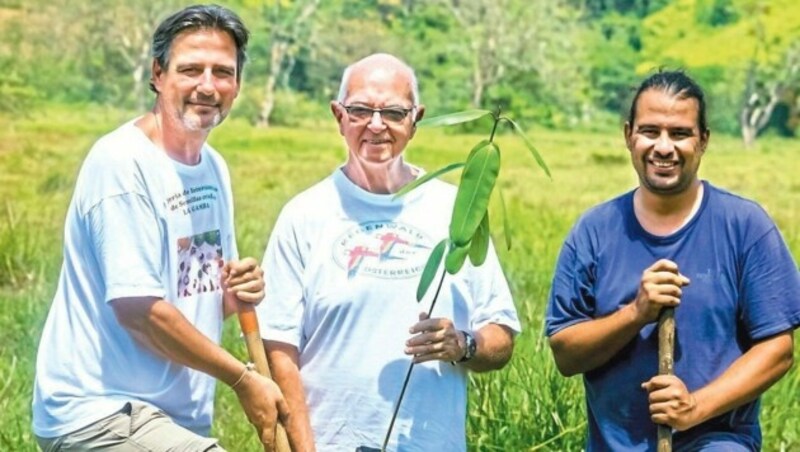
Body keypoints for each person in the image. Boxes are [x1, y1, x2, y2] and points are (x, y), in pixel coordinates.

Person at [32, 5, 288, 451]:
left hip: (173, 418)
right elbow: (139, 311)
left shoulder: (212, 167)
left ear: (237, 84)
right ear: (158, 74)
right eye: (190, 69)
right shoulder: (122, 164)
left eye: (222, 72)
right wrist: (243, 379)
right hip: (102, 413)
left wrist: (232, 293)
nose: (207, 86)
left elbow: (194, 293)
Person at [257, 53, 520, 451]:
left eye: (394, 113)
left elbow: (501, 334)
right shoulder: (304, 215)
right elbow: (279, 349)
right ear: (339, 116)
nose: (376, 125)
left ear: (416, 120)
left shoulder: (456, 211)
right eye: (361, 110)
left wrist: (463, 345)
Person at [546, 70, 800, 451]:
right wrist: (636, 313)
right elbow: (566, 353)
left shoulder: (745, 226)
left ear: (704, 141)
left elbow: (778, 351)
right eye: (650, 131)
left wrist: (695, 407)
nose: (663, 147)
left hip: (717, 441)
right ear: (628, 135)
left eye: (680, 133)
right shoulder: (593, 232)